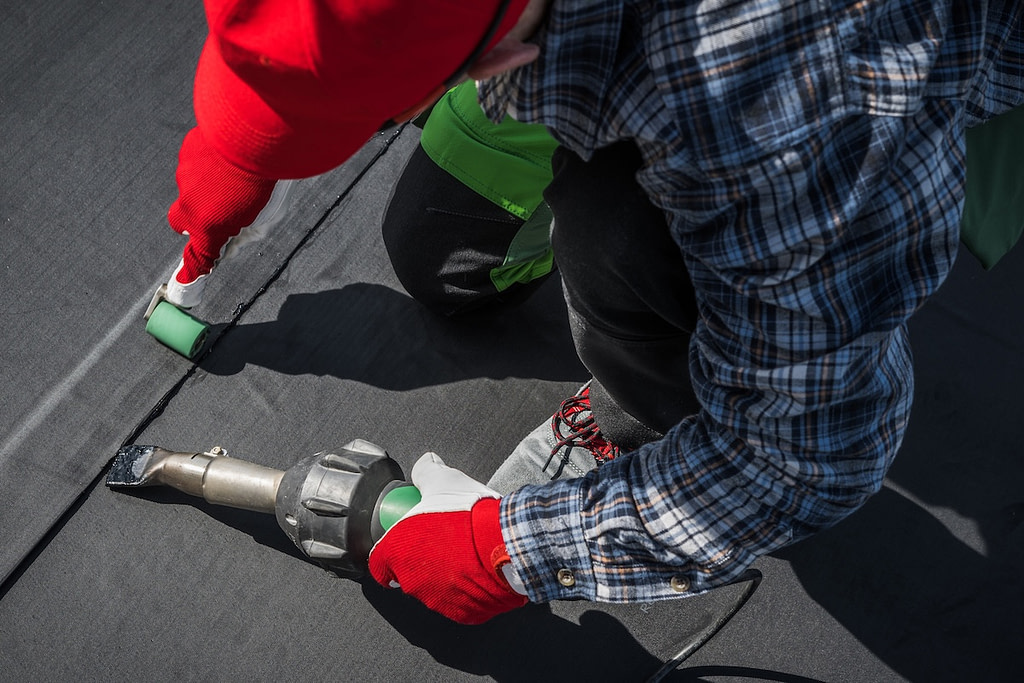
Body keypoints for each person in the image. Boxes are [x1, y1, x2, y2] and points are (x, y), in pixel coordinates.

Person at [163, 0, 1023, 625]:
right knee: (442, 245)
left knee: (615, 219)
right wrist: (242, 141)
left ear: (495, 58)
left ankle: (645, 416)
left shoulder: (780, 120)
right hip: (597, 33)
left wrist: (512, 552)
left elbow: (804, 458)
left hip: (872, 75)